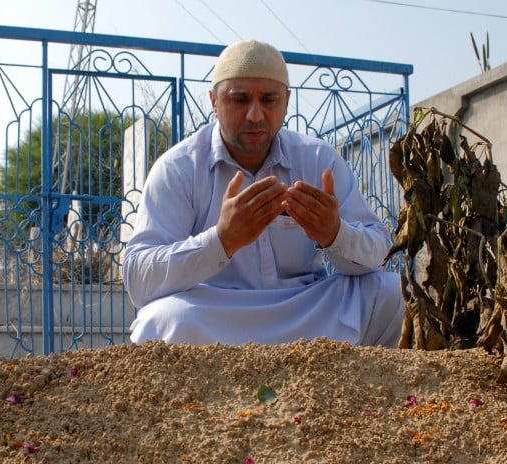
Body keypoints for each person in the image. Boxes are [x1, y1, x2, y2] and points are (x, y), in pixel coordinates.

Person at [121, 39, 404, 347]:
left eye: (269, 100)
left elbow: (380, 255)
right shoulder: (179, 167)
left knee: (391, 294)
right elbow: (138, 280)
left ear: (286, 100)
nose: (255, 115)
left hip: (307, 307)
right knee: (160, 320)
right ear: (214, 101)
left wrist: (335, 233)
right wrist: (221, 240)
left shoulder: (318, 159)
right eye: (239, 99)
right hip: (215, 313)